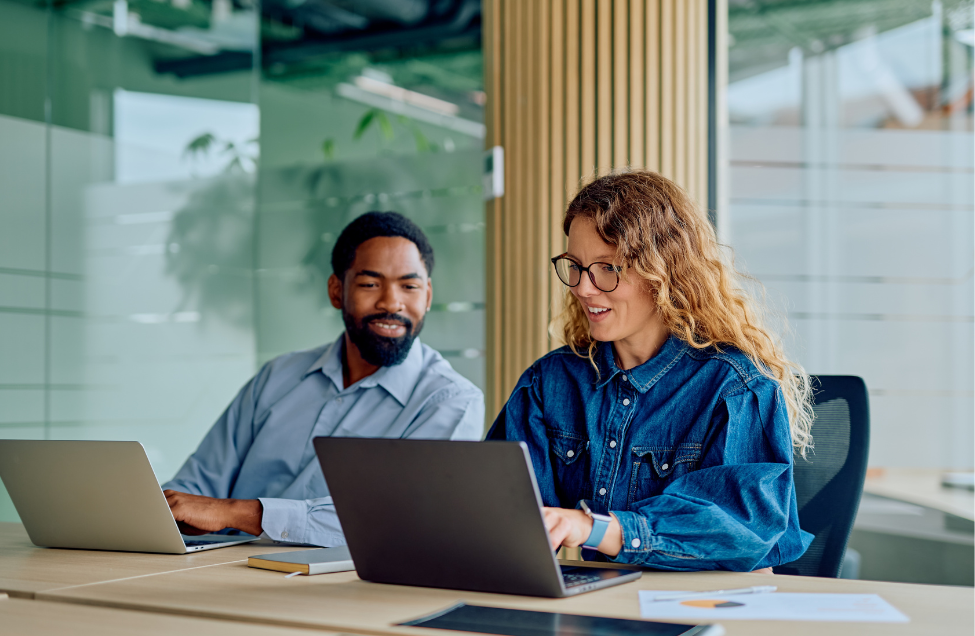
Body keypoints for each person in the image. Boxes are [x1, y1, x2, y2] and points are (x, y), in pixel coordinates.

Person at [487, 170, 814, 571]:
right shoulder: (548, 382)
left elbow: (741, 528)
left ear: (663, 273)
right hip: (601, 600)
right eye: (575, 265)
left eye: (607, 268)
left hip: (709, 607)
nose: (583, 288)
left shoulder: (735, 388)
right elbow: (503, 514)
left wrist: (595, 528)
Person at [163, 211, 484, 546]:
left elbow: (398, 519)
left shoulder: (451, 402)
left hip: (343, 590)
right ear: (336, 291)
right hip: (215, 571)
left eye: (410, 286)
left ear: (428, 296)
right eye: (370, 284)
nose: (392, 301)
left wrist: (238, 513)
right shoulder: (277, 377)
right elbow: (195, 487)